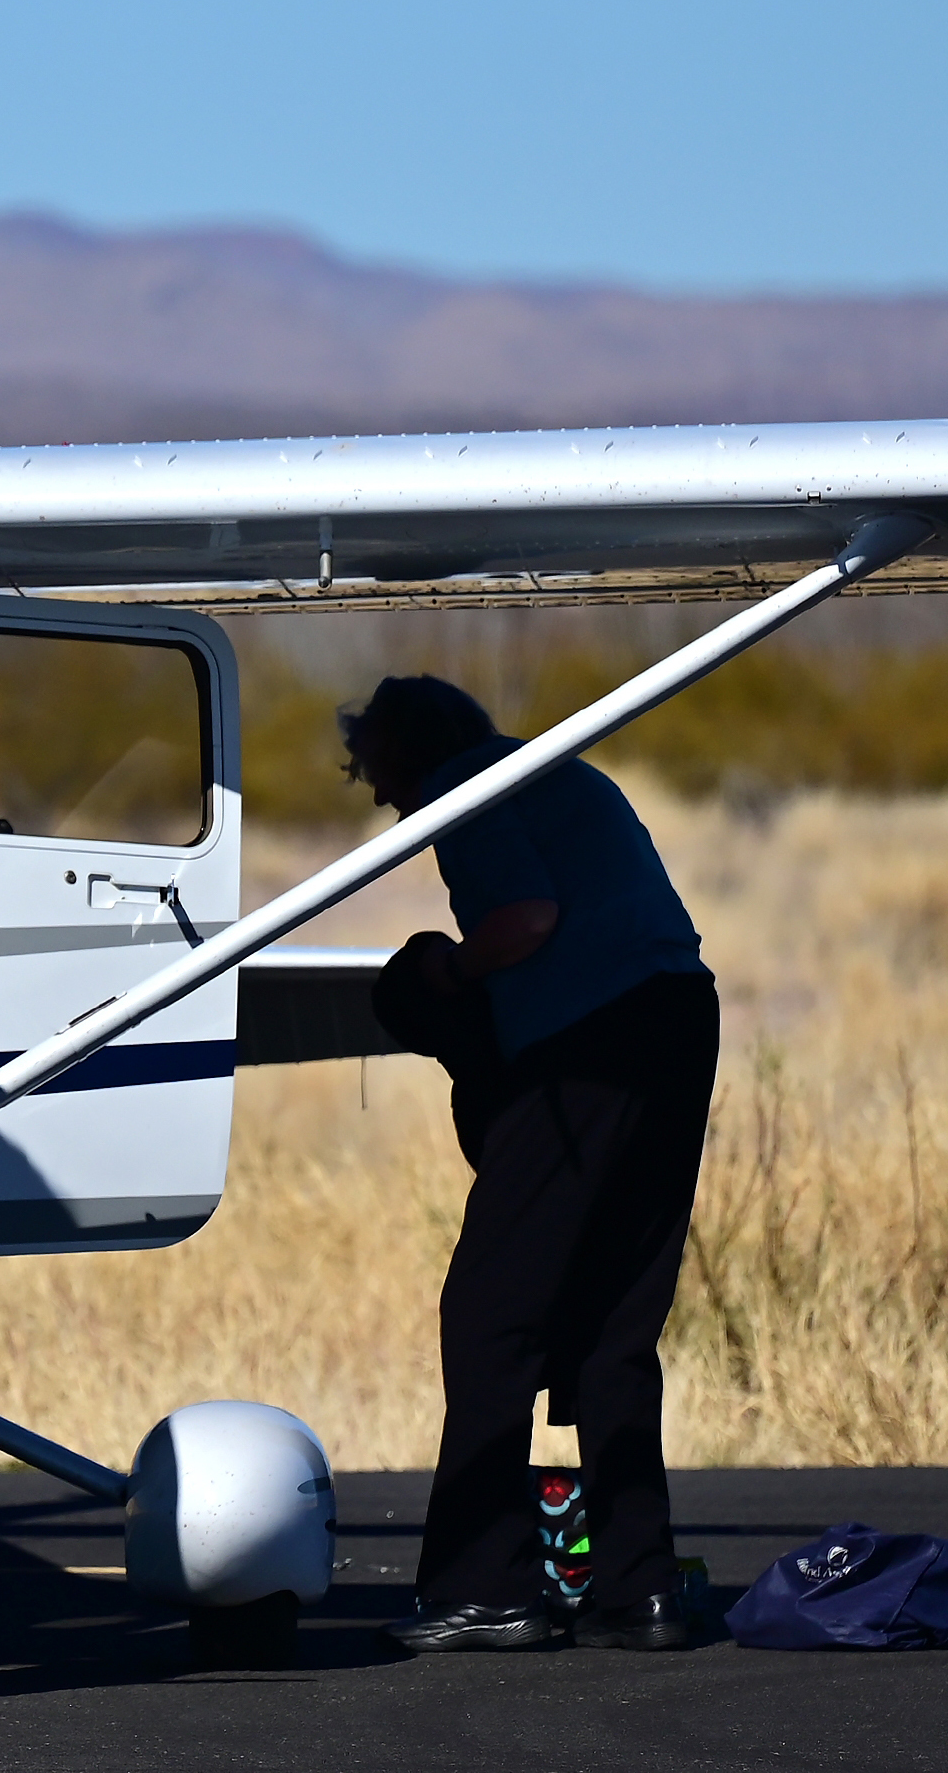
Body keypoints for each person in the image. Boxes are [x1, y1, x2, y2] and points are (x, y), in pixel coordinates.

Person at [344, 675, 718, 1655]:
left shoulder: (471, 789)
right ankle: (640, 1591)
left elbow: (525, 921)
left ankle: (488, 1586)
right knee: (613, 1323)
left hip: (590, 1044)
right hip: (680, 1013)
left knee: (490, 1316)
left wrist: (450, 971)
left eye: (371, 772)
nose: (380, 797)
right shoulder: (560, 770)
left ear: (406, 754)